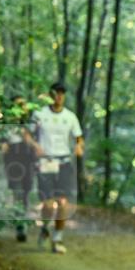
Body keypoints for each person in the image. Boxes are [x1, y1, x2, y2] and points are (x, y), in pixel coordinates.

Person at [29, 83, 83, 254]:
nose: (59, 96)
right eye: (56, 93)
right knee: (48, 204)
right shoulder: (39, 114)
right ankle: (45, 227)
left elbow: (79, 138)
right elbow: (27, 134)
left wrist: (79, 146)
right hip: (46, 161)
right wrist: (35, 145)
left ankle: (57, 238)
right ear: (51, 95)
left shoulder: (70, 117)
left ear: (64, 96)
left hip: (64, 162)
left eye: (62, 94)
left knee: (63, 202)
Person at [0, 96, 36, 241]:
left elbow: (36, 141)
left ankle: (21, 219)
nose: (21, 107)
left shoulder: (31, 123)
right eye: (18, 104)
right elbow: (1, 143)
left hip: (27, 160)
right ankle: (20, 226)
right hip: (13, 159)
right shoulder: (7, 124)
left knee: (25, 192)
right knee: (17, 191)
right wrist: (3, 144)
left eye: (23, 104)